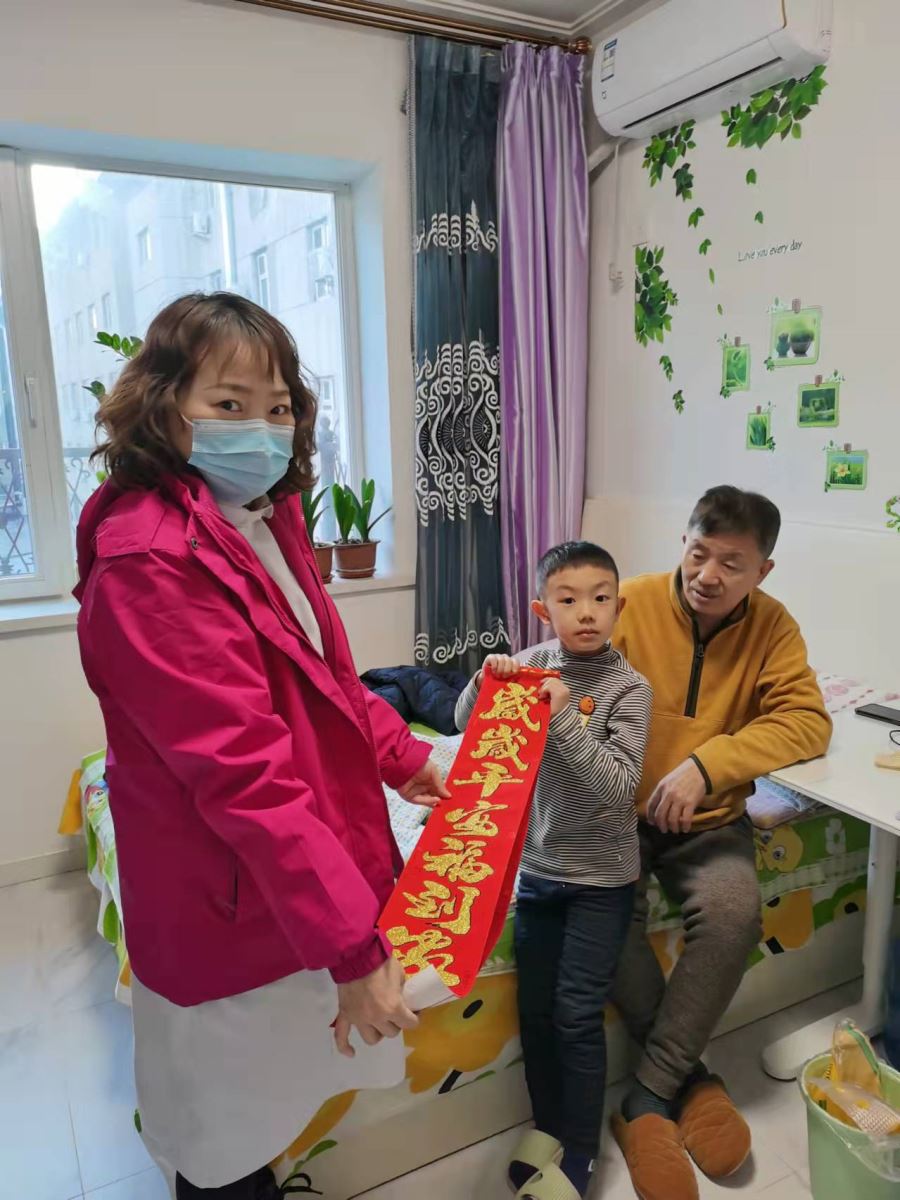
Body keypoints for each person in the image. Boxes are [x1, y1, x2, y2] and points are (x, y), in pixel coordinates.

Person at [73, 293, 449, 1199]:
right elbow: (244, 777)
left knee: (259, 1122)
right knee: (223, 1136)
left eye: (278, 407)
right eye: (229, 404)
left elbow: (326, 681)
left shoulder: (261, 518)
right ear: (165, 405)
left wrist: (409, 758)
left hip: (279, 886)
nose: (263, 428)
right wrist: (354, 948)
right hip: (227, 895)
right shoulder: (150, 561)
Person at [609, 486, 833, 1200]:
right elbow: (568, 683)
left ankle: (647, 1095)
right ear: (683, 541)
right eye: (698, 552)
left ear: (762, 571)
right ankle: (685, 1079)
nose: (707, 574)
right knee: (603, 912)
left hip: (707, 821)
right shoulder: (630, 602)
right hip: (615, 814)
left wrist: (708, 766)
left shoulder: (773, 625)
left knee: (735, 914)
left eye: (731, 564)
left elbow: (807, 721)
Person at [455, 542, 653, 1200]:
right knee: (536, 1014)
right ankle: (547, 1131)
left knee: (574, 1014)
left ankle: (582, 1151)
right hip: (538, 872)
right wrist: (484, 682)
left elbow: (617, 788)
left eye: (600, 598)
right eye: (568, 600)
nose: (586, 612)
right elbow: (466, 728)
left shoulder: (630, 689)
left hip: (601, 882)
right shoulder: (533, 663)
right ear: (544, 610)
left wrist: (563, 714)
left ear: (619, 606)